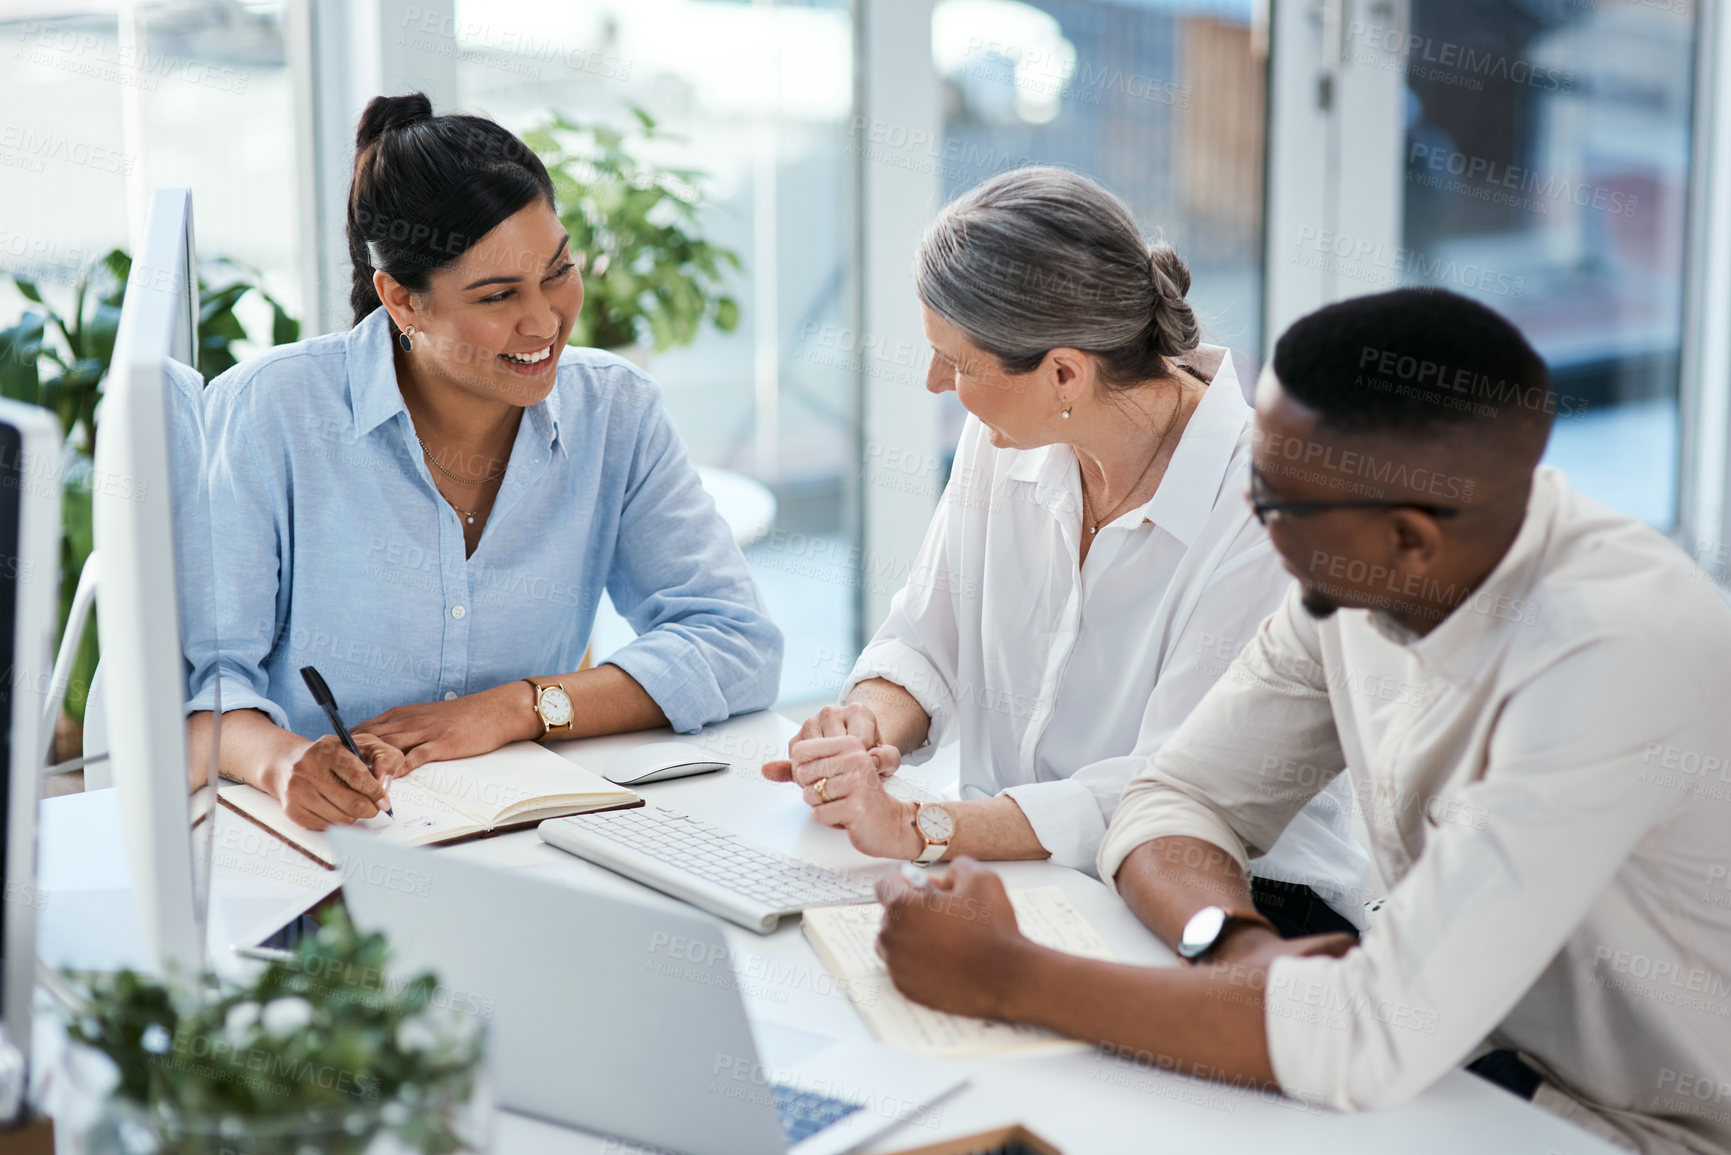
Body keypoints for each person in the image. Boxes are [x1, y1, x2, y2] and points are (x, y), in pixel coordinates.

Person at [871, 287, 1731, 1155]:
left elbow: (1368, 1035)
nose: (1251, 516)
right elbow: (1174, 796)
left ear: (1408, 539)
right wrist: (1236, 948)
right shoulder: (1362, 577)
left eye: (1274, 502)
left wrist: (1006, 975)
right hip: (1448, 1070)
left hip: (1626, 1127)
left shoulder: (1606, 662)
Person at [764, 166, 1367, 935]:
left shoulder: (1264, 509)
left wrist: (921, 825)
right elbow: (924, 641)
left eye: (956, 362)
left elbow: (1168, 790)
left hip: (1237, 903)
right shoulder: (1009, 438)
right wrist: (864, 732)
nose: (932, 381)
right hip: (1029, 881)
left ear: (1062, 372)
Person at [185, 93, 781, 830]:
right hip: (321, 843)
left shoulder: (615, 411)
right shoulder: (271, 410)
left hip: (525, 837)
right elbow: (202, 689)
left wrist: (517, 707)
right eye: (499, 295)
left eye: (558, 271)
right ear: (402, 300)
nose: (545, 321)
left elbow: (736, 643)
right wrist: (283, 765)